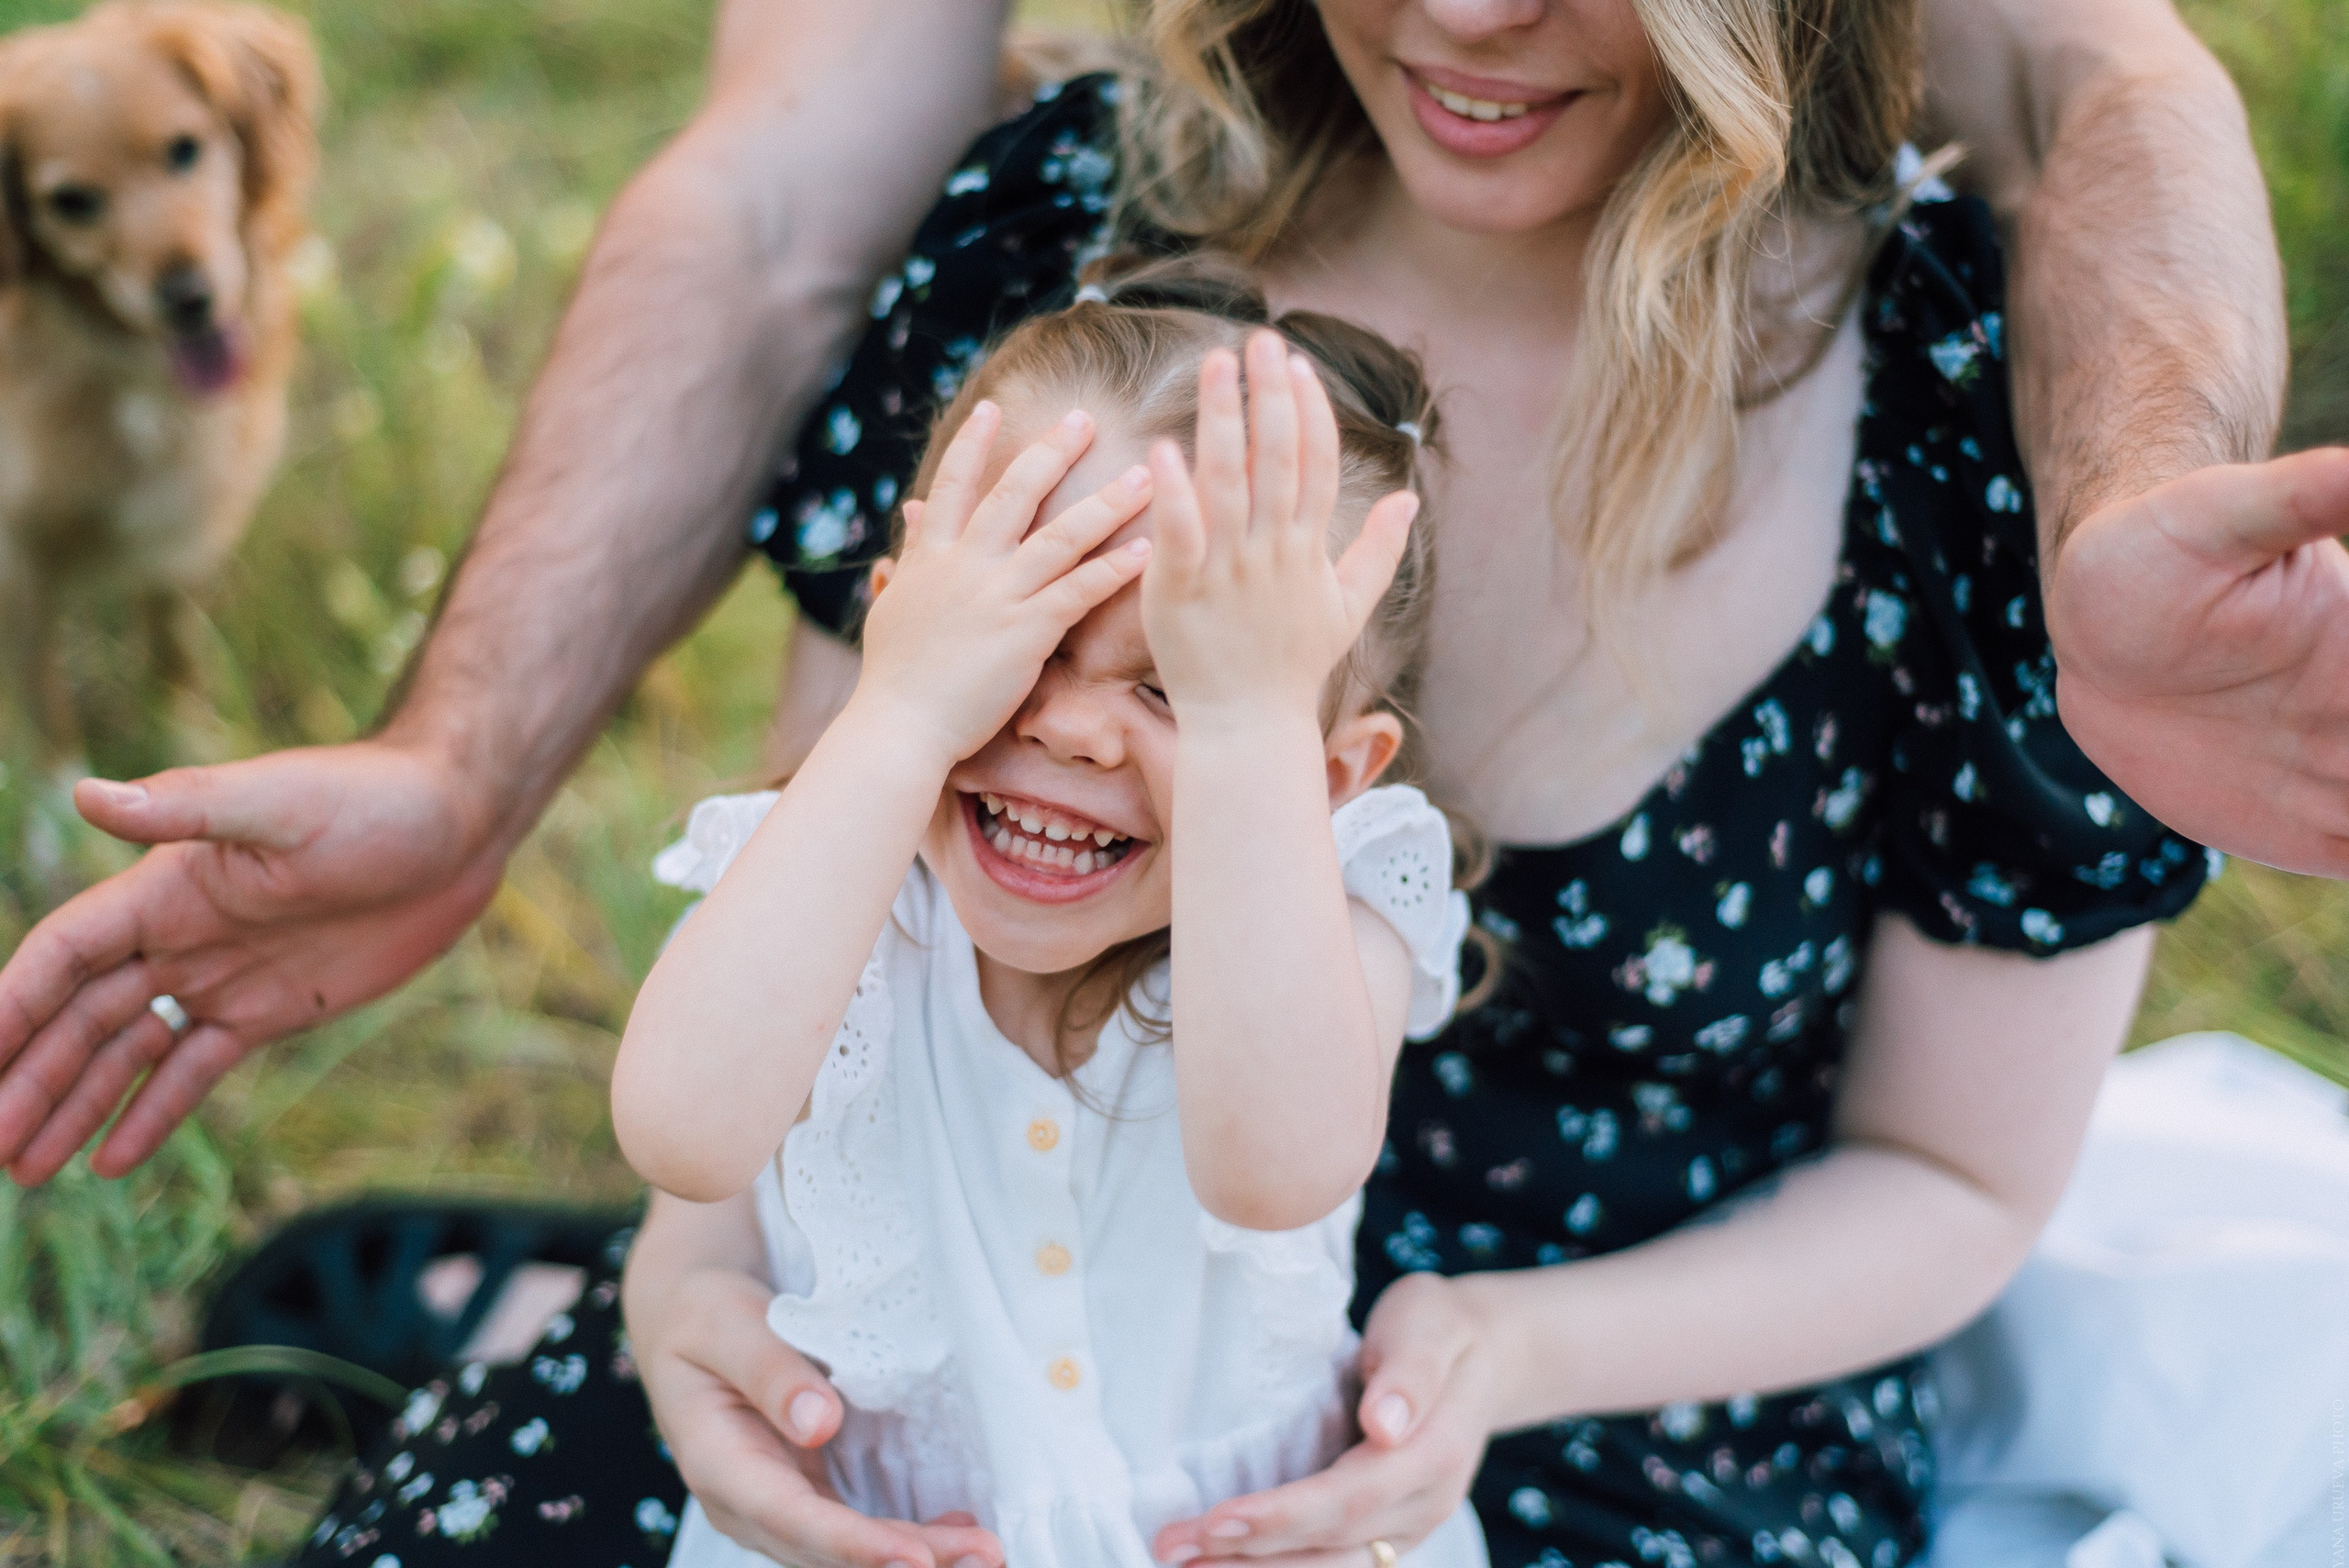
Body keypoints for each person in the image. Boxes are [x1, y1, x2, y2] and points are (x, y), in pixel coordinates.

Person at [0, 0, 2334, 1562]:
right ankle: (554, 1297)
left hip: (1599, 1381)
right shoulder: (1057, 247)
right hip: (917, 1386)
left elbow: (1939, 1172)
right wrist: (693, 1288)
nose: (1460, 14)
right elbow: (786, 1020)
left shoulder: (1952, 406)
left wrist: (1504, 1348)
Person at [621, 266, 1484, 1568]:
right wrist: (906, 715)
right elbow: (683, 1130)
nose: (1073, 730)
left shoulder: (1334, 919)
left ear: (1324, 780)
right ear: (907, 612)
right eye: (1024, 637)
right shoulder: (818, 878)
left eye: (1182, 691)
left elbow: (1277, 1169)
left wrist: (1250, 721)